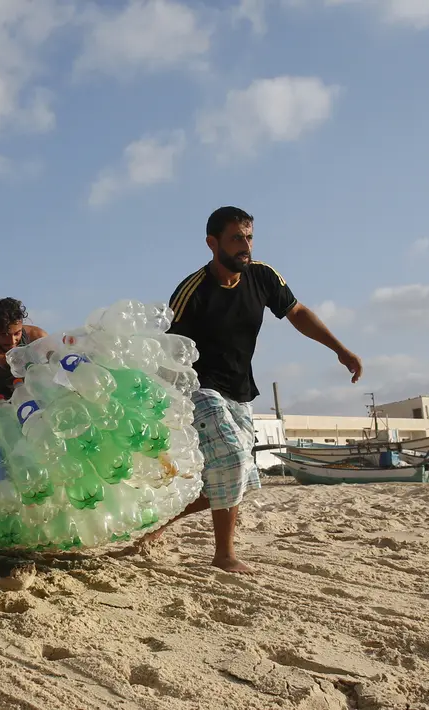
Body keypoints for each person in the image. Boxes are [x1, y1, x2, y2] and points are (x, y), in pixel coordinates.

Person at [129, 206, 362, 574]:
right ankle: (224, 555)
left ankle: (154, 526)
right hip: (197, 387)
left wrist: (339, 349)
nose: (246, 246)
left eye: (249, 237)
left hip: (239, 389)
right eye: (237, 238)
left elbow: (297, 312)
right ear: (212, 243)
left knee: (237, 478)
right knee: (234, 461)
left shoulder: (263, 276)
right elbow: (163, 348)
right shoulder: (192, 291)